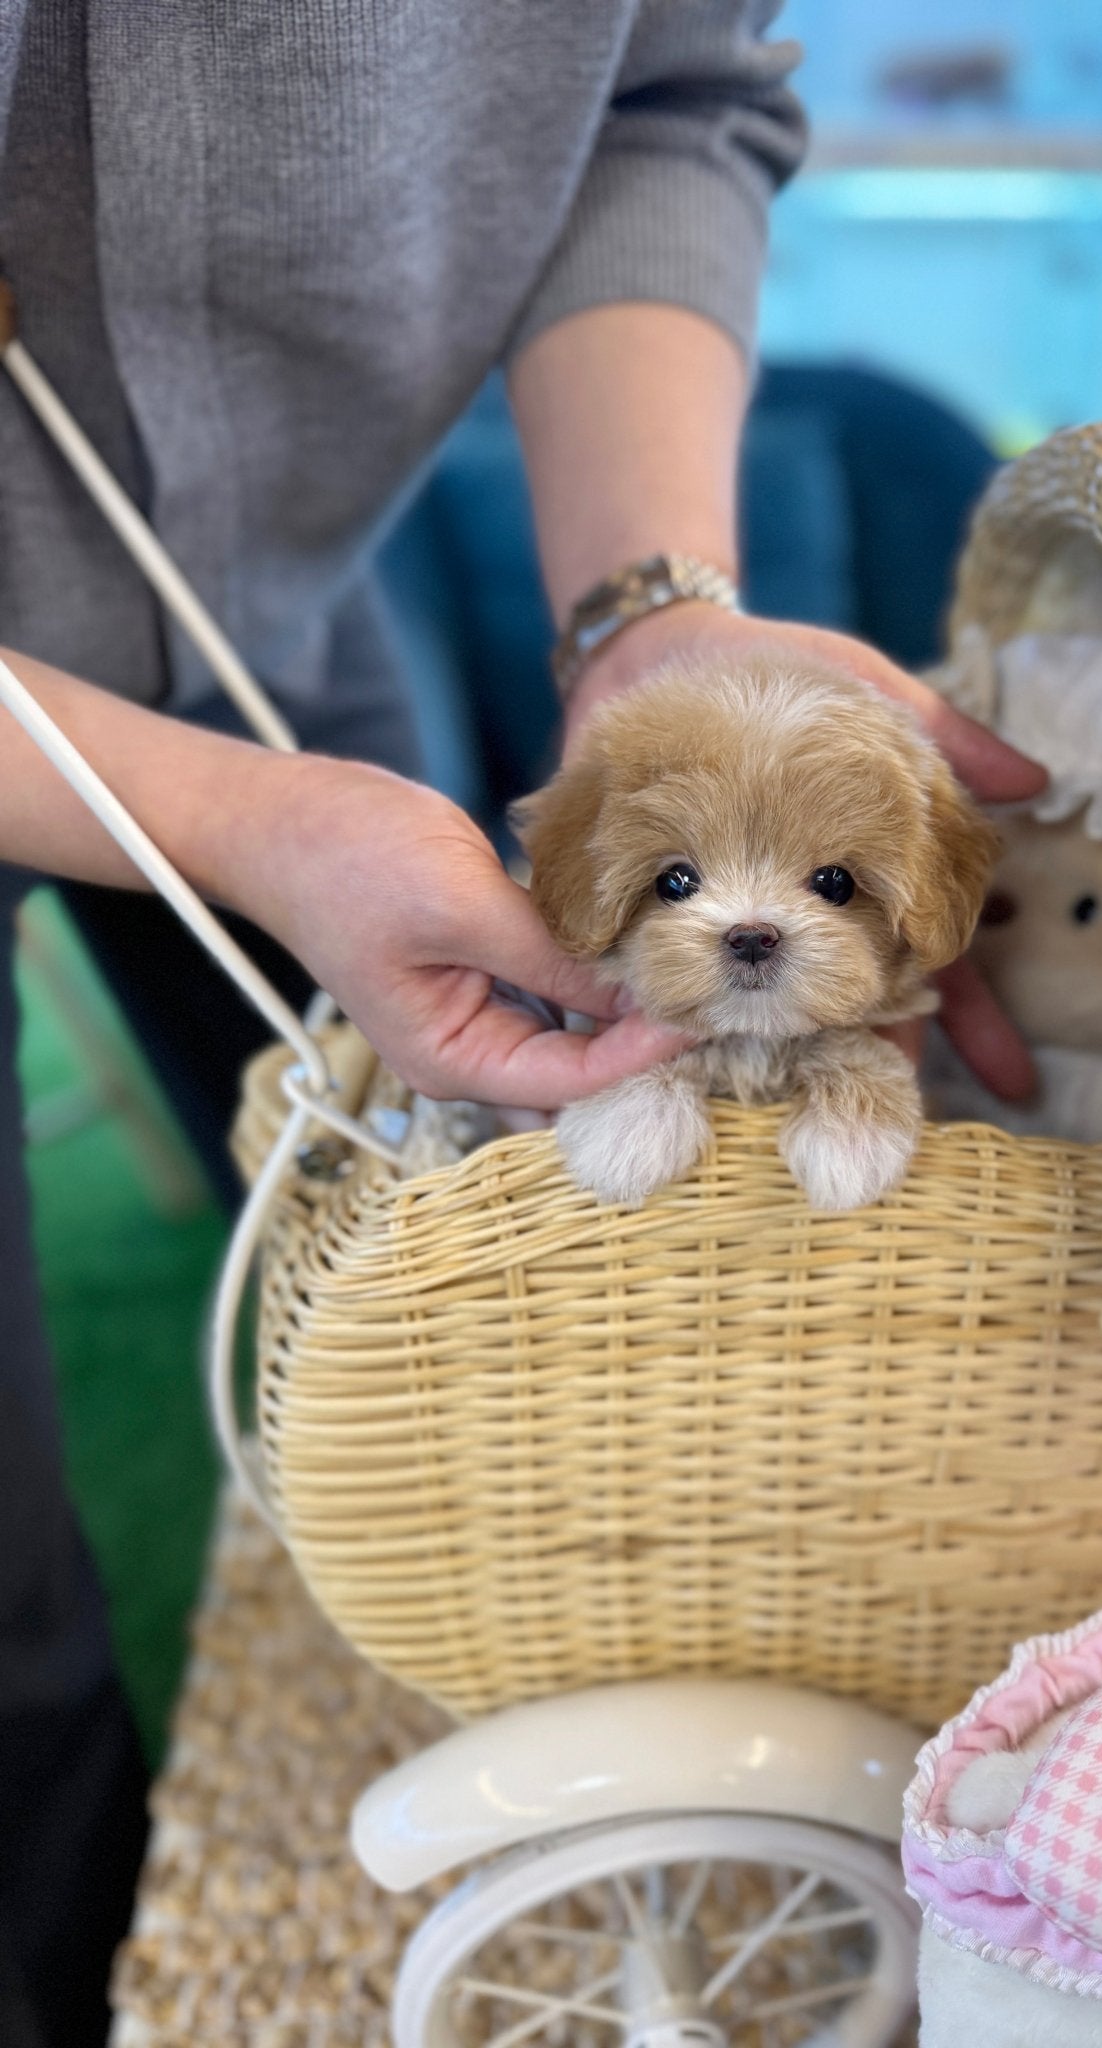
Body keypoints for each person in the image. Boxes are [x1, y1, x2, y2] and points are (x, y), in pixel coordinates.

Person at [0, 8, 1040, 2044]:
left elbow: (674, 92)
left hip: (283, 595)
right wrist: (240, 820)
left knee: (423, 1222)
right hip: (202, 681)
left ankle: (416, 1552)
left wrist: (645, 605)